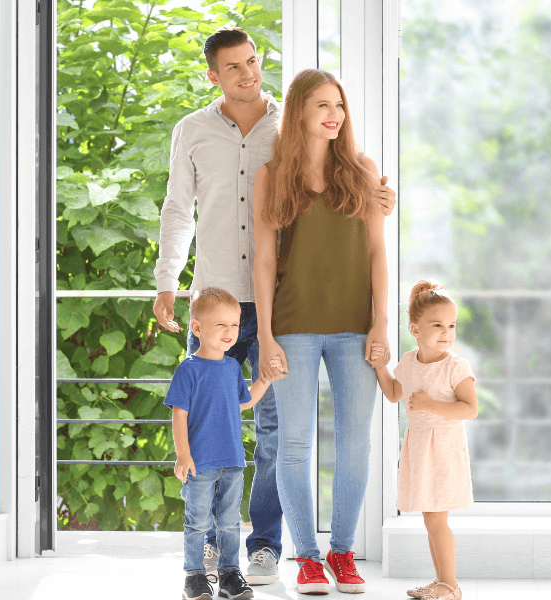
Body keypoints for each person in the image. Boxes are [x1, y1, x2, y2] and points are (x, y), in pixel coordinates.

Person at [153, 27, 397, 584]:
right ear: (213, 75)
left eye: (253, 62)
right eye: (233, 67)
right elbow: (177, 209)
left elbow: (360, 224)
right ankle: (212, 545)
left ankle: (268, 544)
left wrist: (380, 200)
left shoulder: (289, 130)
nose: (248, 73)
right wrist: (167, 279)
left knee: (275, 433)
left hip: (278, 308)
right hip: (219, 296)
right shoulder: (193, 131)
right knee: (210, 422)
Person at [253, 68, 391, 595]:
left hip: (356, 327)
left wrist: (381, 322)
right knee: (293, 446)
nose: (334, 115)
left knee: (355, 447)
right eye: (321, 106)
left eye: (339, 106)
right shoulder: (272, 176)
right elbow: (264, 262)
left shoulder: (362, 170)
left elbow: (377, 252)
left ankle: (342, 553)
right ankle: (307, 558)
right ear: (299, 113)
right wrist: (264, 336)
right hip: (293, 327)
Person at [166, 287, 285, 600]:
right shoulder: (187, 370)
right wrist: (183, 455)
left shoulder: (232, 368)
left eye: (234, 325)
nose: (230, 332)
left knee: (231, 522)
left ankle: (230, 574)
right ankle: (194, 577)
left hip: (232, 461)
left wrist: (266, 380)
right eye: (221, 325)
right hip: (200, 462)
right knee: (196, 522)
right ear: (198, 328)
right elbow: (179, 416)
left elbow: (243, 404)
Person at [369, 281, 479, 600]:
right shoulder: (409, 362)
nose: (446, 332)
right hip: (419, 448)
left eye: (451, 325)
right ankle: (442, 580)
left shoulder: (455, 366)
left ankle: (450, 585)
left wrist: (432, 405)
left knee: (436, 520)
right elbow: (393, 393)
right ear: (415, 329)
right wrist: (379, 365)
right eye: (437, 325)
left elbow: (469, 408)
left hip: (443, 450)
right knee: (431, 520)